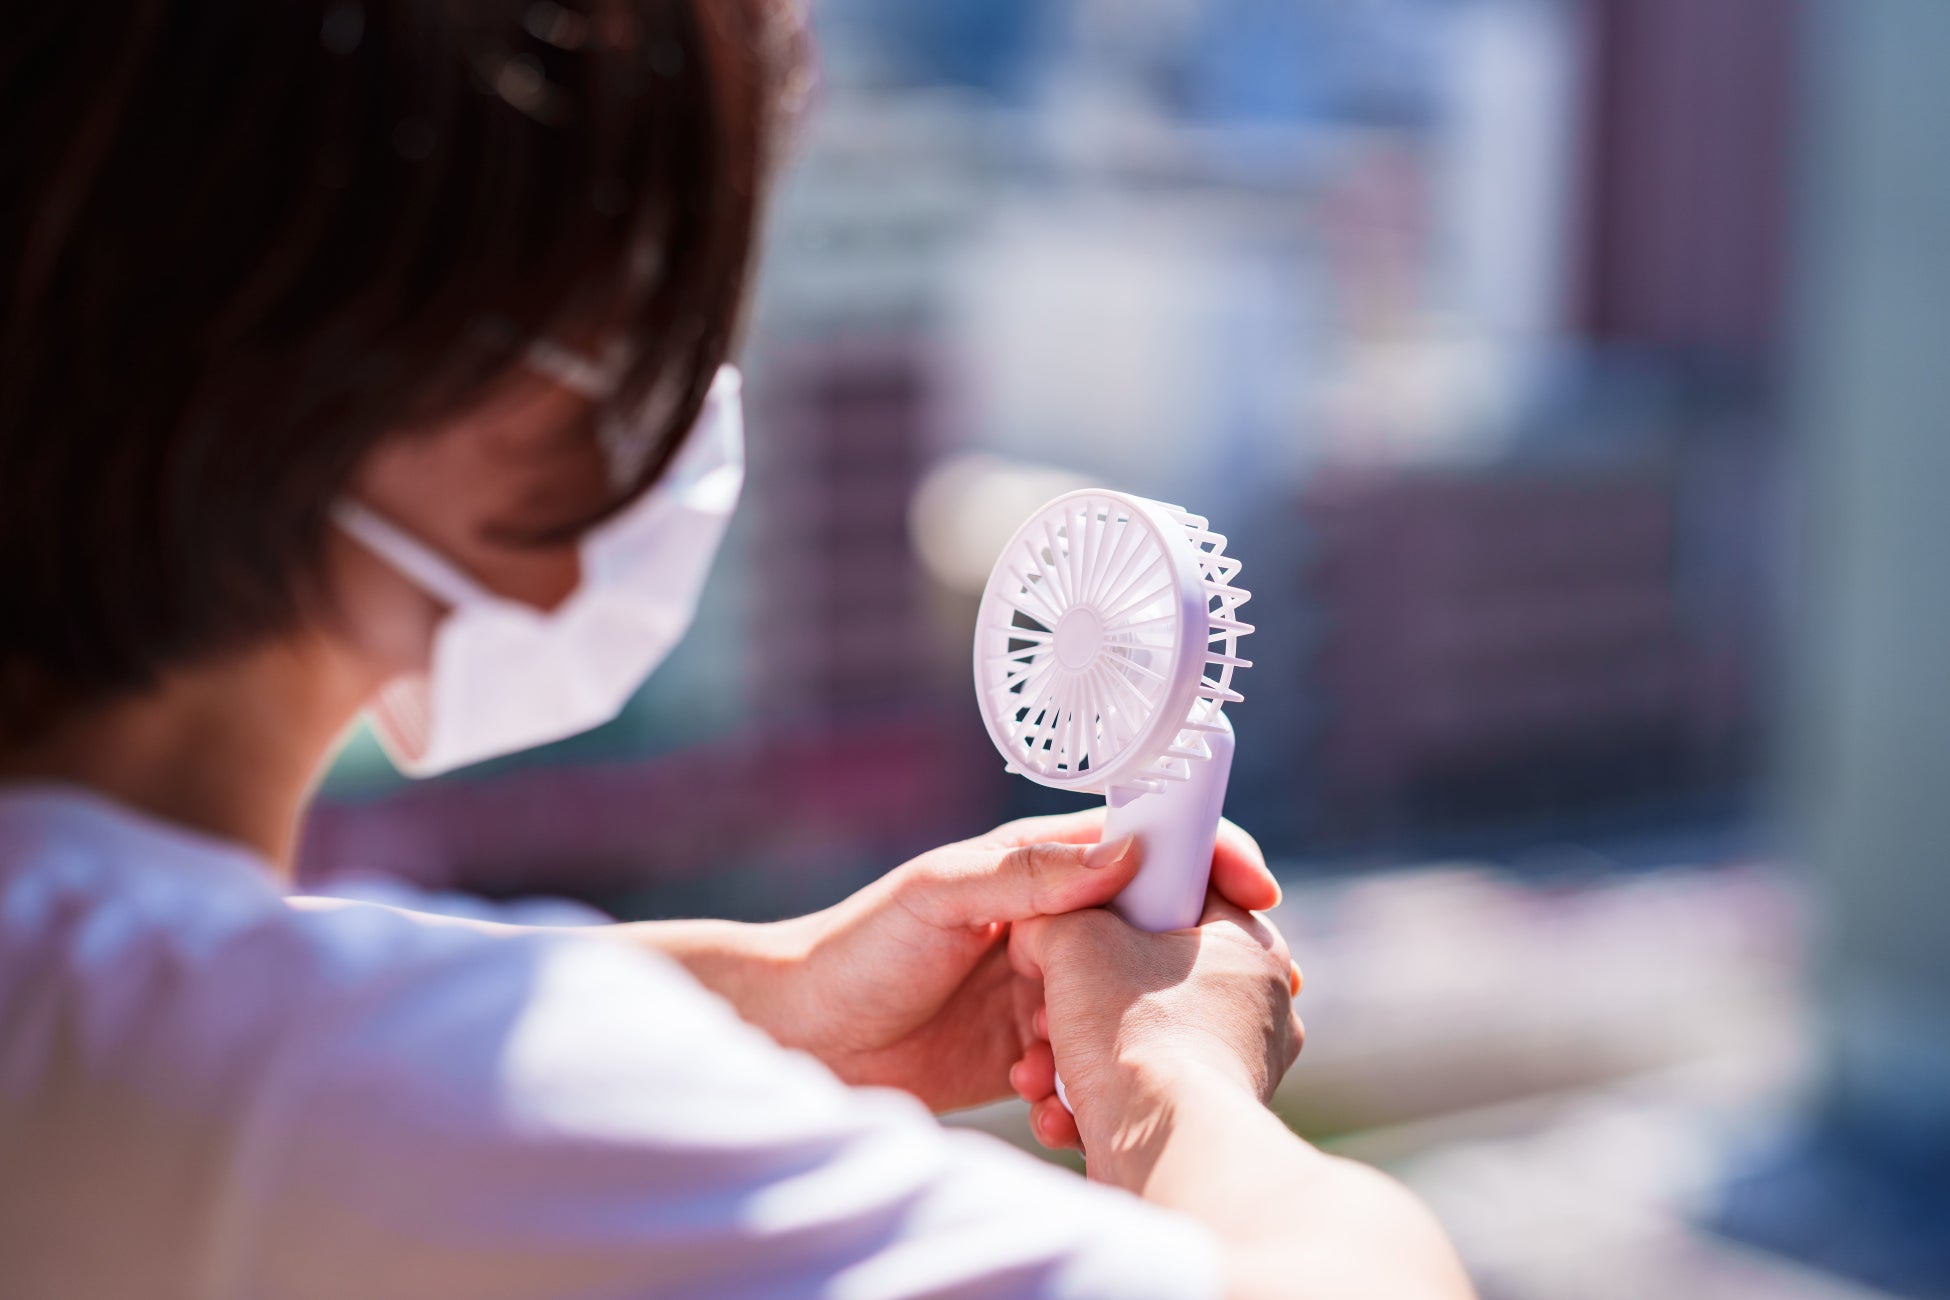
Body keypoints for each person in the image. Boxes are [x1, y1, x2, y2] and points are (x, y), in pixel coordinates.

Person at [0, 3, 1472, 1297]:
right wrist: (1171, 1083)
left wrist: (771, 996)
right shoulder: (325, 1102)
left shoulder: (120, 1020)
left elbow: (179, 989)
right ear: (495, 399)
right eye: (657, 309)